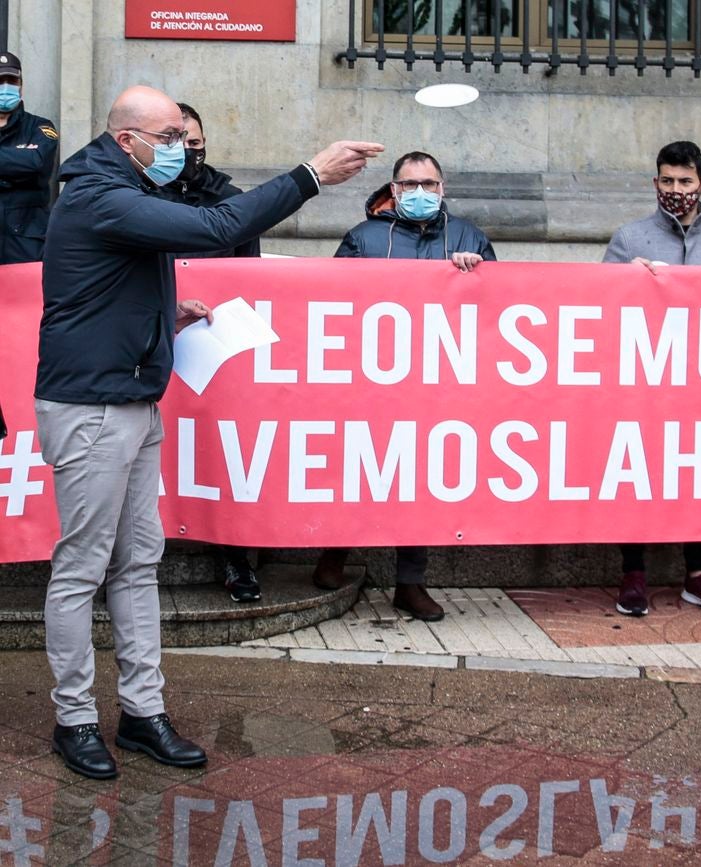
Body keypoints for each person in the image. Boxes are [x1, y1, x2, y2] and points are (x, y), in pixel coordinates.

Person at [35, 84, 381, 780]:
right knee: (81, 568)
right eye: (167, 137)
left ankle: (141, 712)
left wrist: (168, 317)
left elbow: (110, 285)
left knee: (137, 564)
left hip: (133, 398)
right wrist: (310, 176)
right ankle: (73, 718)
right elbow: (216, 228)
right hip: (93, 407)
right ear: (127, 139)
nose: (180, 149)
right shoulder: (99, 192)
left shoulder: (121, 184)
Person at [310, 150, 494, 622]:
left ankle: (410, 583)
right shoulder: (364, 238)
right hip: (371, 383)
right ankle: (334, 554)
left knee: (420, 483)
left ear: (442, 188)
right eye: (409, 185)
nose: (419, 193)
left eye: (427, 184)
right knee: (360, 469)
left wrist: (475, 278)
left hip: (436, 385)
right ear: (393, 191)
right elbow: (329, 304)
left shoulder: (468, 237)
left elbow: (497, 310)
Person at [602, 140, 701, 619]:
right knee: (637, 470)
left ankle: (698, 573)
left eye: (685, 182)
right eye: (667, 181)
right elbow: (597, 306)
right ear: (656, 183)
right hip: (645, 381)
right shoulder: (628, 238)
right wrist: (626, 279)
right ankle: (634, 573)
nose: (676, 190)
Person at [159, 102, 262, 603]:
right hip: (148, 342)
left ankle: (235, 558)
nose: (188, 153)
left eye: (196, 144)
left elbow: (250, 277)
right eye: (178, 142)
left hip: (212, 345)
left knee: (218, 453)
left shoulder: (228, 199)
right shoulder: (137, 193)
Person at [0, 52, 59, 264]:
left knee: (26, 297)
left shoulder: (40, 127)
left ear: (21, 85)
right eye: (0, 81)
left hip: (27, 242)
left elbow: (37, 164)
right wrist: (17, 164)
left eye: (12, 80)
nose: (6, 86)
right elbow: (27, 164)